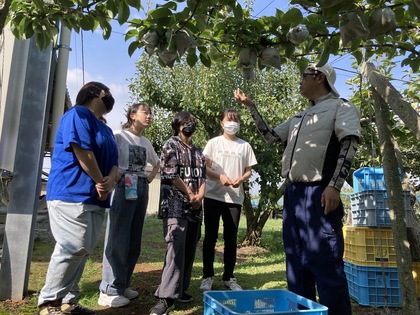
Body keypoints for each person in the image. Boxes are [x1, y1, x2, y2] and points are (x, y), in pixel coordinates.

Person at [234, 63, 361, 315]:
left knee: (325, 263)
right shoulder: (299, 117)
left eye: (304, 76)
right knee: (297, 263)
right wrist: (251, 108)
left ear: (319, 77)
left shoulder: (341, 107)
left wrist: (334, 186)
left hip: (320, 193)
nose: (300, 81)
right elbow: (271, 137)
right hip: (294, 195)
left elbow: (349, 143)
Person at [38, 82, 119, 315]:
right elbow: (83, 151)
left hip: (96, 196)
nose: (110, 97)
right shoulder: (78, 114)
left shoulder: (106, 128)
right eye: (107, 93)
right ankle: (48, 302)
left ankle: (68, 302)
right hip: (71, 193)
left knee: (82, 251)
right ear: (93, 93)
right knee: (71, 248)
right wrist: (100, 181)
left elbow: (115, 163)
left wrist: (109, 181)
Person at [98, 103, 160, 307]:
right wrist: (113, 177)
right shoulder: (119, 136)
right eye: (145, 112)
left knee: (134, 239)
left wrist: (150, 177)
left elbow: (157, 162)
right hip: (124, 185)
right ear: (133, 115)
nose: (149, 116)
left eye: (150, 113)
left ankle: (124, 284)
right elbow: (107, 158)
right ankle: (108, 290)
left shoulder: (146, 142)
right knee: (117, 237)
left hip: (141, 186)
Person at [149, 111, 206, 315]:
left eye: (192, 121)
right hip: (175, 205)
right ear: (177, 125)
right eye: (185, 121)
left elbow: (203, 179)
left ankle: (180, 290)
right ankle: (165, 297)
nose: (190, 124)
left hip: (195, 208)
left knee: (189, 249)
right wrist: (191, 193)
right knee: (175, 248)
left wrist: (199, 196)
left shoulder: (198, 152)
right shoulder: (170, 145)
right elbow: (171, 175)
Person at [200, 108, 257, 291]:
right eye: (229, 119)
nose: (232, 123)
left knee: (231, 238)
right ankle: (207, 276)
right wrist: (220, 177)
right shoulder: (213, 143)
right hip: (212, 195)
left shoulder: (245, 146)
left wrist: (242, 178)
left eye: (236, 120)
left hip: (234, 198)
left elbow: (249, 169)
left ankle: (229, 277)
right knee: (210, 236)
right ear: (221, 123)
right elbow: (204, 168)